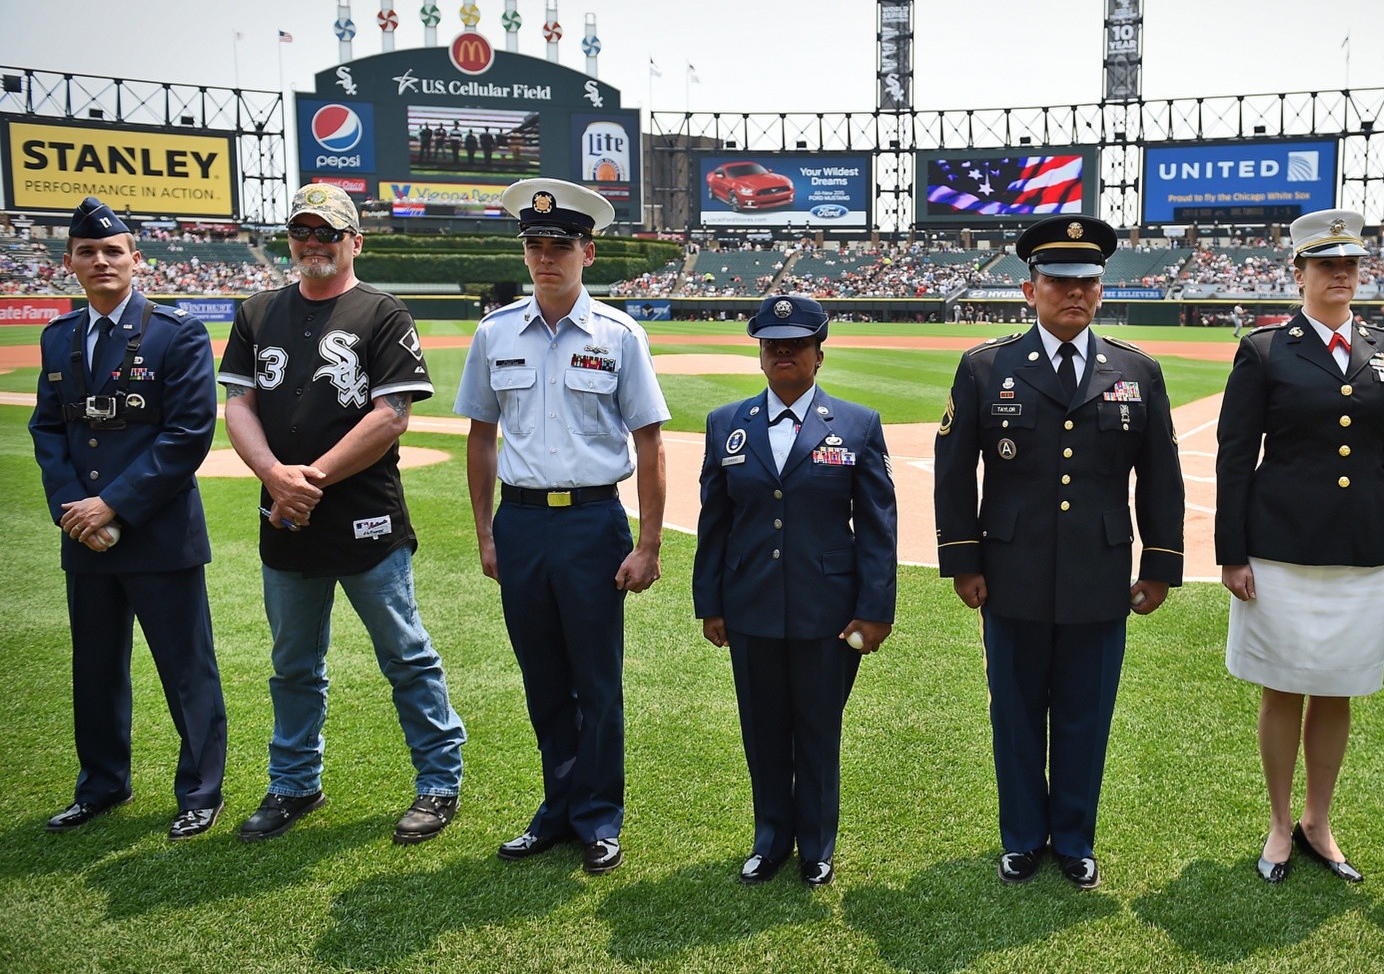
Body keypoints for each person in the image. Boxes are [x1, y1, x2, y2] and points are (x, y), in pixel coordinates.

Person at [934, 215, 1184, 890]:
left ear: (1101, 291)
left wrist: (1160, 565)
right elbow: (954, 470)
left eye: (1086, 282)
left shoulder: (1138, 372)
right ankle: (1021, 837)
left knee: (1085, 715)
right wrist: (964, 560)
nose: (1073, 292)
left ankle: (1073, 838)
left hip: (1099, 576)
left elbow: (1160, 475)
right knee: (1015, 715)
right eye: (1058, 281)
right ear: (1030, 289)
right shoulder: (988, 367)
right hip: (1009, 575)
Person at [219, 184, 465, 844]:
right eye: (302, 231)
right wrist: (275, 476)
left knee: (406, 654)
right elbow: (238, 404)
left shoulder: (381, 312)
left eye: (327, 232)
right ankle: (294, 784)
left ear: (355, 240)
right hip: (285, 519)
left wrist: (313, 479)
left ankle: (440, 781)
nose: (312, 243)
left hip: (365, 519)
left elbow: (392, 415)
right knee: (293, 663)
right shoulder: (257, 310)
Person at [454, 177, 669, 875]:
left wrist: (649, 543)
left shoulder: (619, 336)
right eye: (535, 245)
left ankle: (600, 816)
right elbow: (482, 437)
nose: (547, 257)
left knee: (598, 680)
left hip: (592, 522)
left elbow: (650, 443)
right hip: (519, 522)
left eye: (560, 245)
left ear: (588, 251)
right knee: (543, 676)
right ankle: (557, 809)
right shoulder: (495, 334)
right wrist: (486, 533)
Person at [1213, 209, 1384, 885]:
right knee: (1282, 689)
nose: (1340, 274)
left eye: (1350, 264)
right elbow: (1235, 456)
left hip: (1363, 551)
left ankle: (1318, 821)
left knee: (1338, 690)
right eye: (1326, 264)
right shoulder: (1264, 351)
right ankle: (1280, 823)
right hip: (1280, 550)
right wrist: (1233, 552)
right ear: (1299, 273)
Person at [30, 197, 228, 840]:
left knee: (184, 666)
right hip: (84, 535)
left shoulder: (178, 333)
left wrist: (112, 505)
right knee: (95, 669)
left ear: (136, 260)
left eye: (113, 250)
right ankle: (101, 785)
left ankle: (200, 791)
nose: (101, 261)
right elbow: (49, 430)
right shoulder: (58, 336)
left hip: (157, 531)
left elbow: (188, 434)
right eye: (87, 252)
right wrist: (74, 510)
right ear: (70, 264)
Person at [693, 294, 897, 887]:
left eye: (797, 344)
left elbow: (879, 527)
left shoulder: (857, 425)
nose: (783, 351)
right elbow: (715, 522)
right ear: (759, 354)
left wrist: (874, 609)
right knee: (762, 730)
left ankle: (817, 844)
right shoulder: (726, 424)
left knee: (816, 728)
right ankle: (770, 837)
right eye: (772, 343)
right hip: (751, 605)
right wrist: (710, 602)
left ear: (819, 354)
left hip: (826, 611)